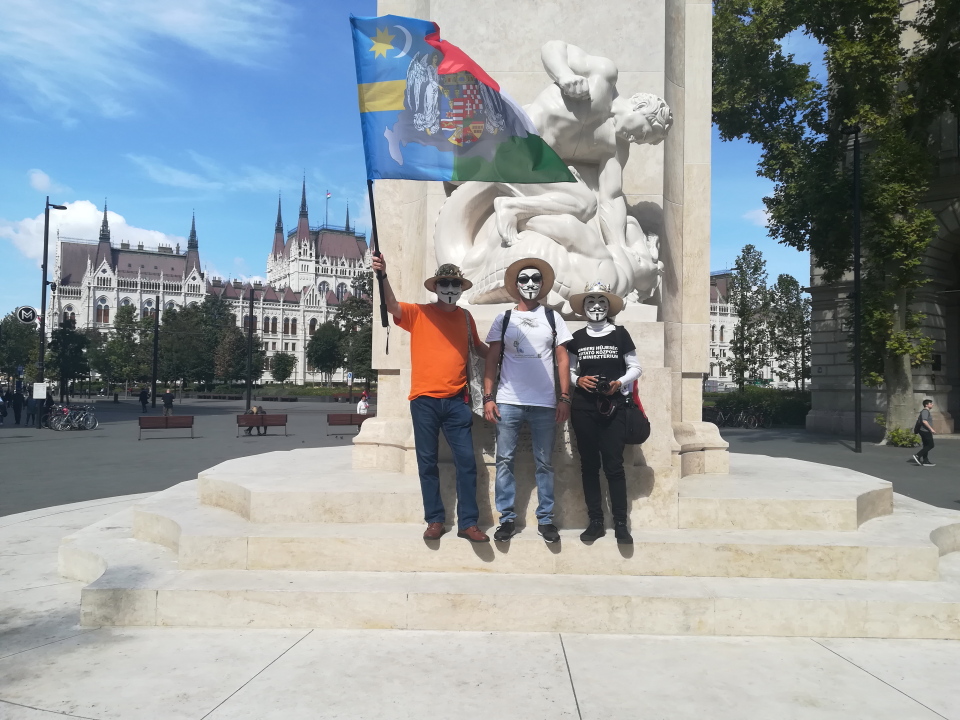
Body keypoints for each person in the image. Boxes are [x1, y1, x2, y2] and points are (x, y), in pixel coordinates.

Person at [372, 252, 491, 543]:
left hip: (457, 400)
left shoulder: (466, 317)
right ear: (436, 286)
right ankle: (434, 519)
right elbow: (392, 305)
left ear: (461, 288)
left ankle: (468, 523)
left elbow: (479, 348)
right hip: (424, 400)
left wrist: (509, 355)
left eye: (455, 283)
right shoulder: (419, 312)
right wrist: (383, 274)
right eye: (445, 283)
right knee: (427, 463)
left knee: (467, 462)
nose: (450, 288)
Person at [483, 258, 573, 544]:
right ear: (516, 284)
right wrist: (488, 397)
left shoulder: (553, 318)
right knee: (504, 461)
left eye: (535, 278)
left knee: (545, 463)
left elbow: (562, 360)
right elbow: (491, 360)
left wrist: (564, 397)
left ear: (542, 284)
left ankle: (545, 519)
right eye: (524, 279)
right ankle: (507, 519)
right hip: (508, 401)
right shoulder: (503, 318)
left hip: (545, 403)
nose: (530, 283)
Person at [566, 282, 642, 545]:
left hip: (614, 407)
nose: (596, 306)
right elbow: (569, 371)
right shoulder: (576, 338)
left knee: (614, 466)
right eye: (591, 301)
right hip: (583, 408)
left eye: (601, 302)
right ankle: (595, 521)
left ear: (609, 307)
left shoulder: (620, 334)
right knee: (589, 466)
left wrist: (618, 383)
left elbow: (635, 367)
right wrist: (579, 381)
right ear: (583, 307)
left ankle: (621, 523)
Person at [913, 399, 937, 467]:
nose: (932, 405)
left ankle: (925, 460)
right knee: (931, 445)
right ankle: (918, 455)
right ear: (926, 405)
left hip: (924, 430)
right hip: (925, 431)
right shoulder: (925, 411)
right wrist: (931, 429)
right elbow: (924, 421)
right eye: (931, 404)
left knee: (926, 445)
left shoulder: (925, 411)